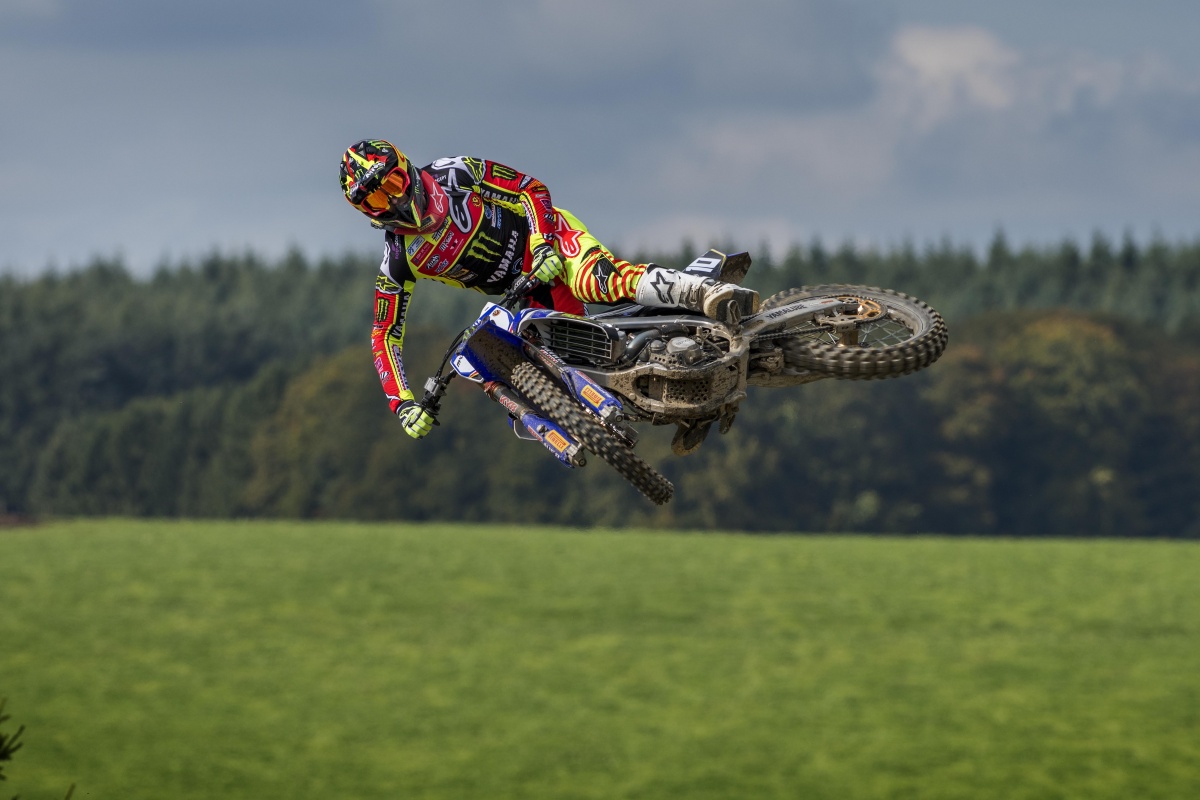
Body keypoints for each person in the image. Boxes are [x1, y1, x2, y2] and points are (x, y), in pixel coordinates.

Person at [339, 139, 759, 439]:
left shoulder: (455, 173)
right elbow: (384, 333)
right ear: (366, 213)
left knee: (597, 281)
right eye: (376, 201)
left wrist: (541, 244)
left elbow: (529, 188)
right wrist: (402, 402)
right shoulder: (398, 259)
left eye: (392, 185)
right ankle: (679, 404)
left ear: (405, 168)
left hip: (552, 239)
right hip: (527, 292)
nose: (393, 202)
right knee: (580, 370)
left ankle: (701, 292)